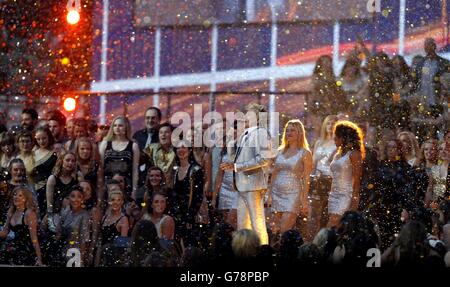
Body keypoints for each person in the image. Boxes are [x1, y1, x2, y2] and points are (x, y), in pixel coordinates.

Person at [221, 103, 273, 245]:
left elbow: (263, 159)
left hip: (254, 185)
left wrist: (237, 167)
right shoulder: (246, 133)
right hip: (242, 185)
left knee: (258, 223)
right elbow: (234, 158)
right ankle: (244, 252)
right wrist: (231, 140)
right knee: (243, 224)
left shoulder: (261, 132)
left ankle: (264, 252)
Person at [269, 119, 312, 235]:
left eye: (292, 130)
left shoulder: (305, 153)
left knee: (284, 230)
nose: (289, 133)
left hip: (293, 194)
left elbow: (307, 178)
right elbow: (274, 173)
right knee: (273, 229)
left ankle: (284, 251)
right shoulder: (279, 151)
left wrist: (304, 200)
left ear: (299, 133)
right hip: (276, 193)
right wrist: (269, 194)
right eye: (287, 131)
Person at [327, 121, 364, 228]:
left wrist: (354, 200)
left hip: (345, 195)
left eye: (336, 138)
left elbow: (357, 178)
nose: (334, 140)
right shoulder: (338, 154)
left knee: (332, 226)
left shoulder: (354, 154)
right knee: (336, 227)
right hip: (334, 194)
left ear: (343, 138)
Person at [99, 115, 140, 206]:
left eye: (120, 125)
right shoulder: (105, 143)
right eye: (115, 125)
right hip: (107, 186)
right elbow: (100, 168)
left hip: (126, 187)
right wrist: (100, 188)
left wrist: (134, 191)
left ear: (126, 127)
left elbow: (135, 170)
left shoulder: (133, 146)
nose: (117, 128)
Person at [170, 140, 204, 249]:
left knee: (190, 245)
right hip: (176, 214)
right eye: (178, 148)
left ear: (189, 150)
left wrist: (190, 216)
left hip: (191, 215)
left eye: (184, 147)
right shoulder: (174, 170)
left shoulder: (196, 170)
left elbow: (198, 196)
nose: (181, 150)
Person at [308, 115, 337, 238]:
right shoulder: (319, 142)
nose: (330, 126)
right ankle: (314, 238)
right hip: (317, 179)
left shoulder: (338, 143)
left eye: (333, 123)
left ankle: (325, 237)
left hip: (331, 180)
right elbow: (314, 162)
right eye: (328, 123)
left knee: (327, 211)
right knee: (314, 213)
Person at [0, 186, 42, 266]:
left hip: (27, 249)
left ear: (26, 199)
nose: (16, 197)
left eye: (20, 195)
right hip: (15, 246)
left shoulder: (29, 213)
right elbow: (5, 232)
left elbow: (34, 239)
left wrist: (39, 259)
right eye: (15, 195)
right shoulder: (11, 212)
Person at [57, 185, 91, 266]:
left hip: (75, 253)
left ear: (82, 199)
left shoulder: (85, 215)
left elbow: (84, 239)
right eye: (73, 196)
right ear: (69, 198)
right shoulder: (65, 211)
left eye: (79, 197)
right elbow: (58, 231)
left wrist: (81, 261)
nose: (75, 200)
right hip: (62, 250)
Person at [212, 125, 238, 229]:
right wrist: (214, 197)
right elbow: (219, 175)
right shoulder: (225, 152)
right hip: (225, 189)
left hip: (238, 190)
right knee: (225, 222)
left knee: (233, 220)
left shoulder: (243, 151)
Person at [45, 152, 78, 232]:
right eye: (67, 160)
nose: (70, 163)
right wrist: (50, 219)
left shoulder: (75, 179)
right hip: (56, 212)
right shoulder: (53, 179)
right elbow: (49, 202)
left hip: (72, 212)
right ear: (61, 161)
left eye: (73, 161)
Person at [96, 189, 129, 266]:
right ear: (108, 201)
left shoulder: (123, 219)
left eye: (118, 200)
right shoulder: (104, 217)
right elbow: (100, 239)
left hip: (114, 257)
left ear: (122, 202)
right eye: (113, 200)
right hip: (102, 255)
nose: (115, 202)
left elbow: (123, 245)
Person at [33, 126, 58, 218]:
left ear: (49, 137)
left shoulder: (55, 152)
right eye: (38, 139)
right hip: (33, 189)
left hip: (48, 189)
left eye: (44, 138)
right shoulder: (33, 152)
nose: (41, 141)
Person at [143, 122, 176, 189]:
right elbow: (138, 159)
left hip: (173, 188)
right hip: (155, 187)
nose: (163, 135)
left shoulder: (177, 149)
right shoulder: (152, 148)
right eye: (161, 132)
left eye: (166, 132)